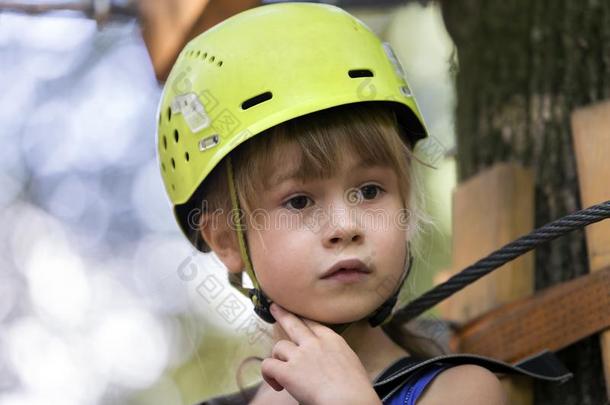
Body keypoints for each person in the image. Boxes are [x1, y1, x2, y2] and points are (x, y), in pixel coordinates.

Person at [155, 2, 515, 404]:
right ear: (226, 240)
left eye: (370, 191)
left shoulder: (459, 391)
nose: (346, 225)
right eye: (299, 201)